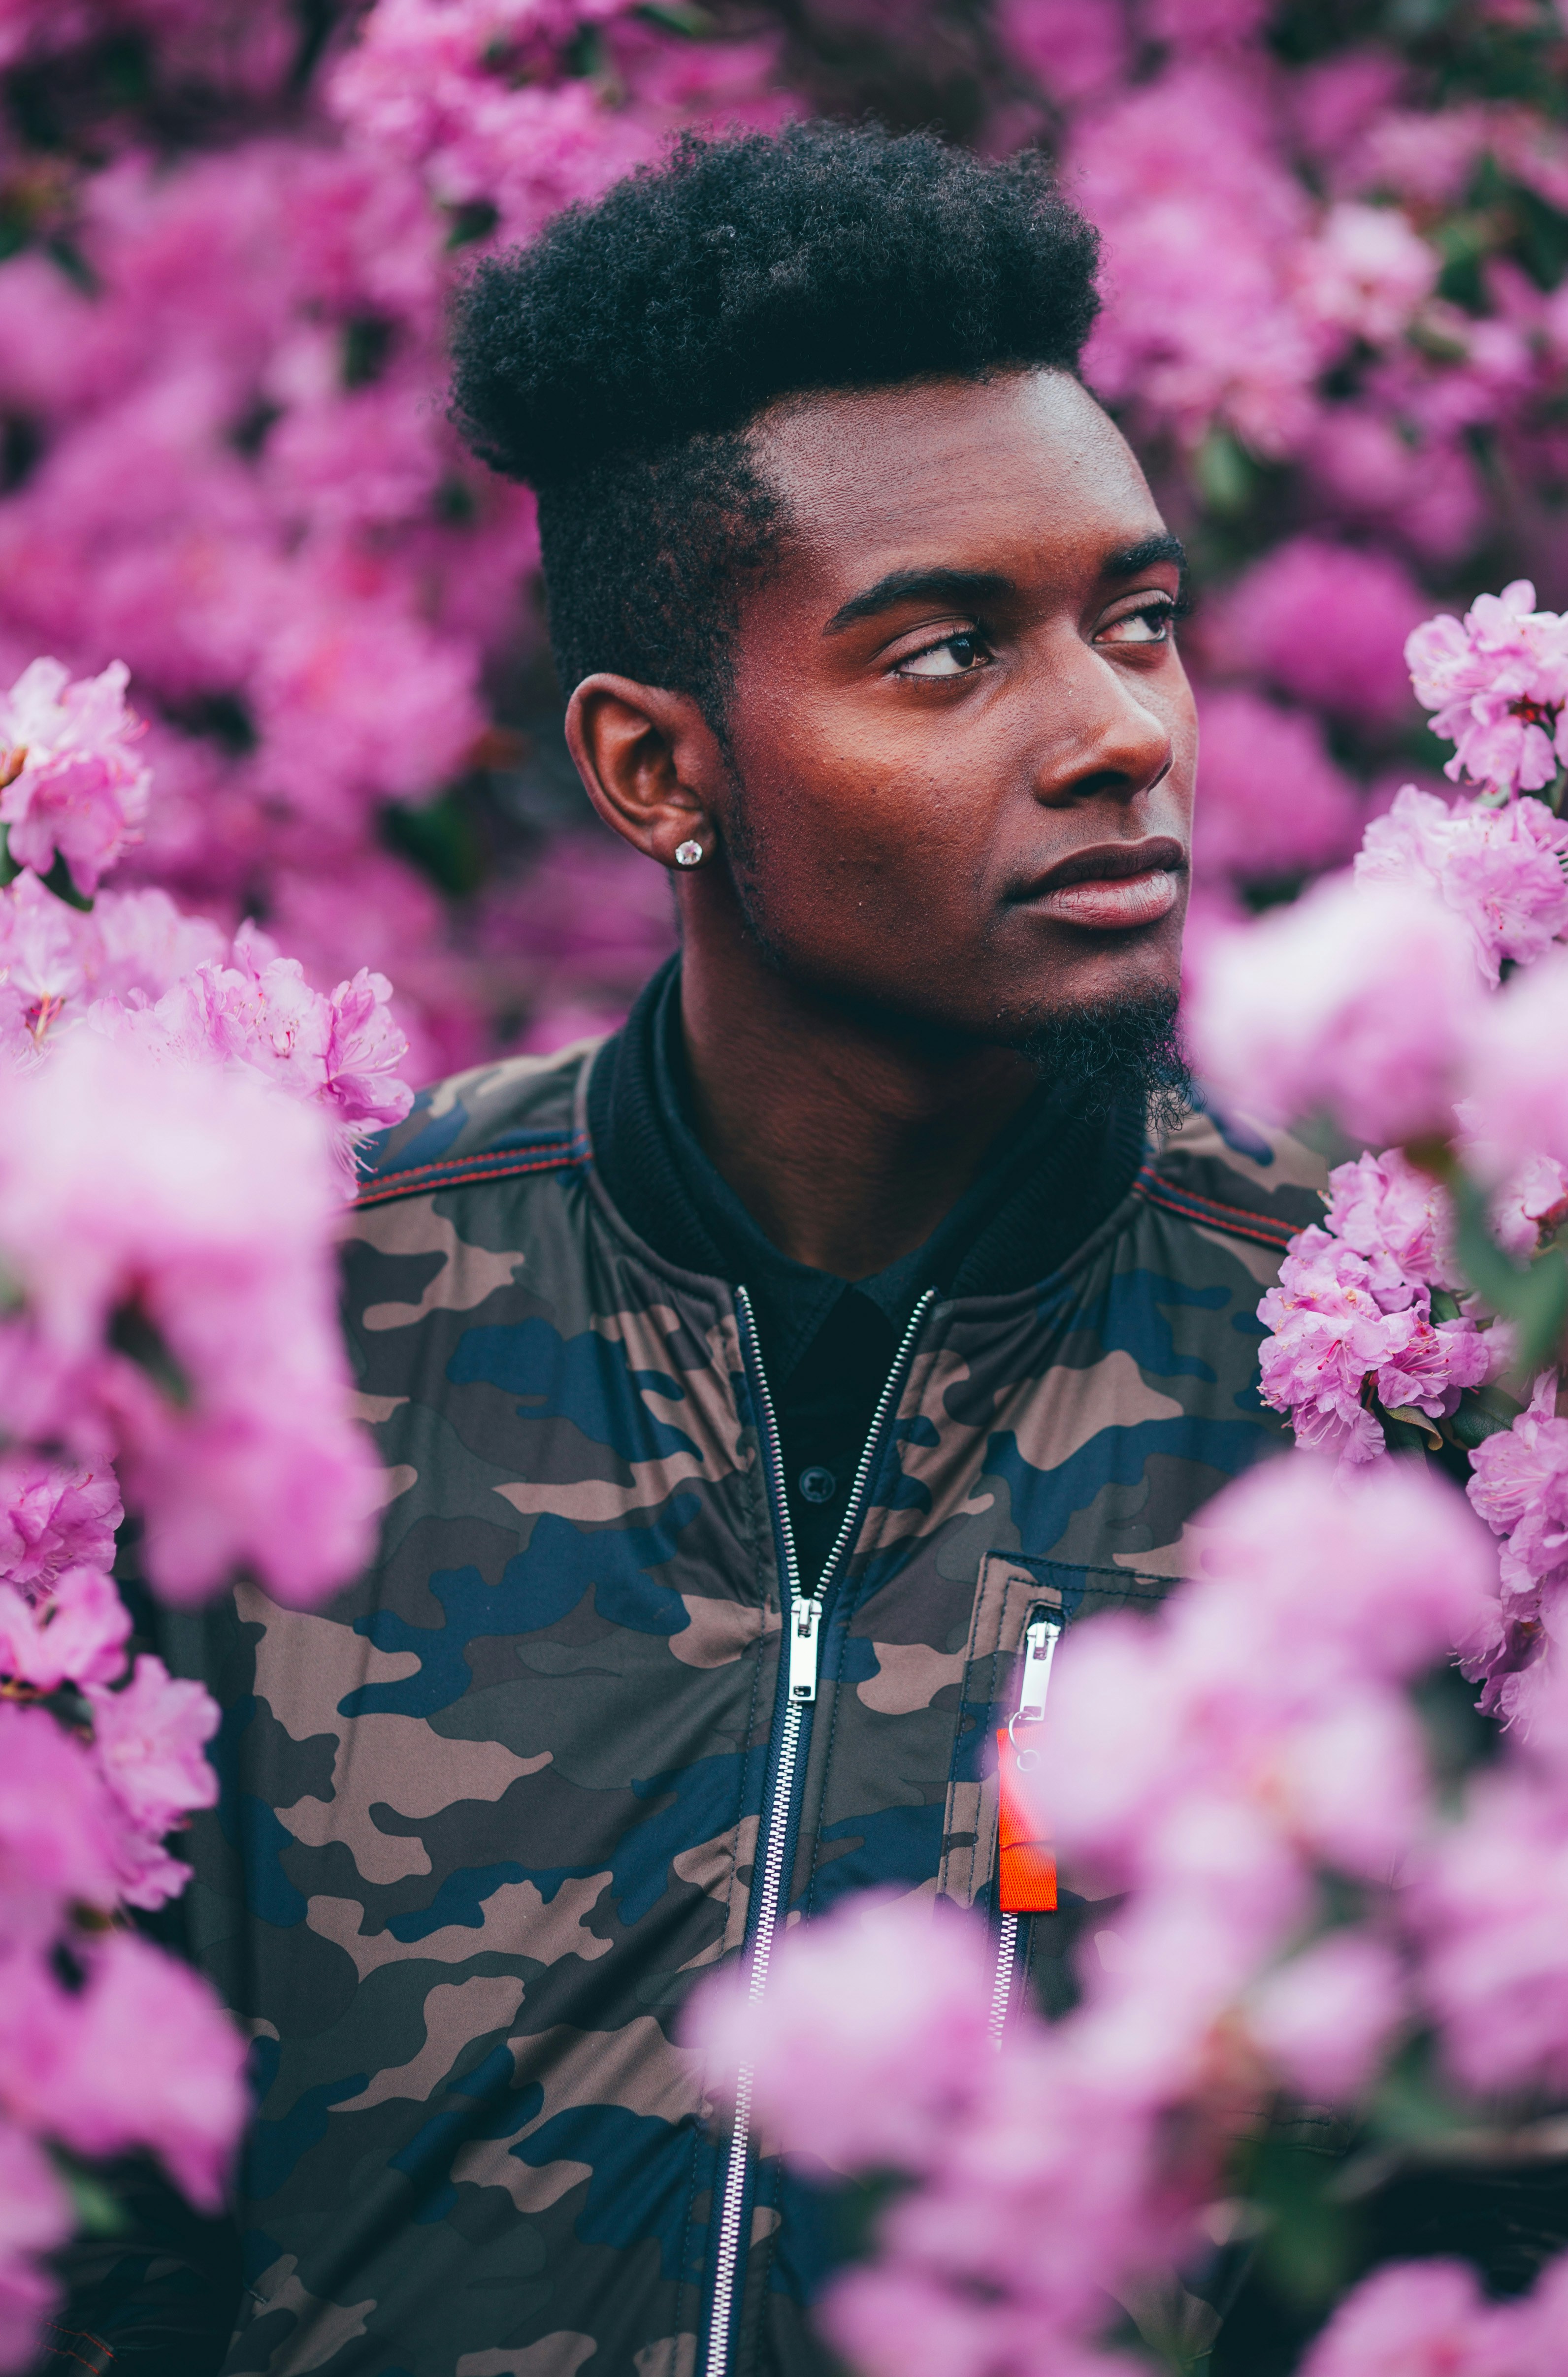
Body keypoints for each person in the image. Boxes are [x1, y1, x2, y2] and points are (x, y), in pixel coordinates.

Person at [46, 125, 1315, 2377]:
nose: (1119, 733)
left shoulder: (1352, 1387)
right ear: (657, 770)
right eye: (947, 656)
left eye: (1136, 622)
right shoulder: (298, 1351)